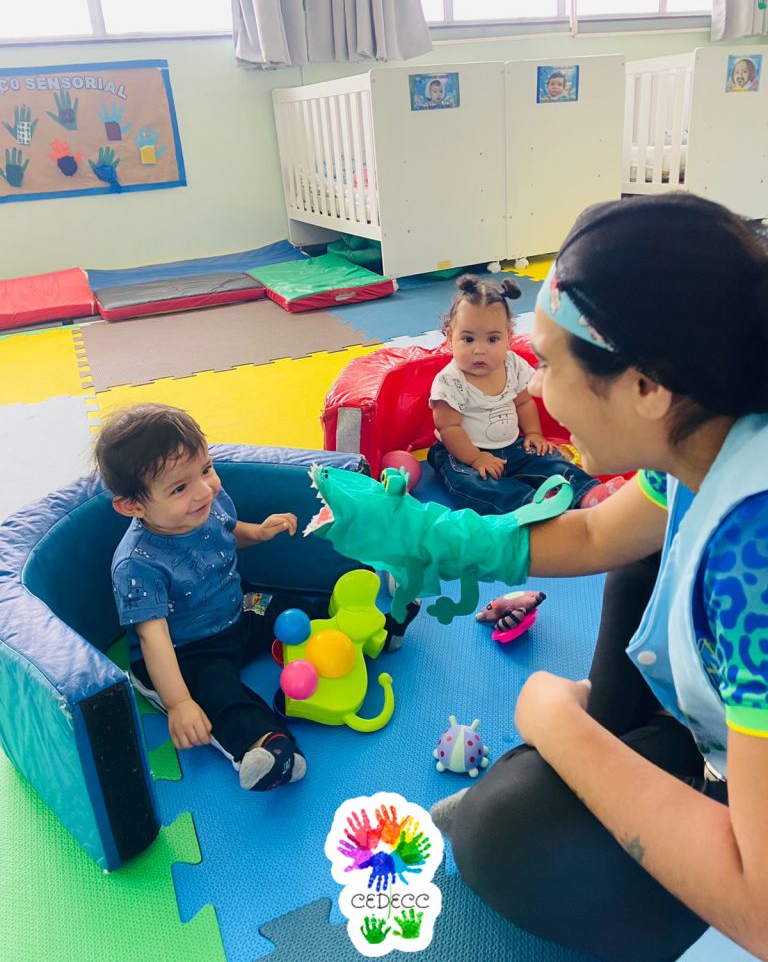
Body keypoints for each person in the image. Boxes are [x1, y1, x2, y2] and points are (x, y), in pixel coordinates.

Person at [430, 193, 768, 961]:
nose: (537, 391)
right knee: (641, 555)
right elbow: (591, 533)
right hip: (726, 733)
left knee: (501, 835)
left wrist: (560, 724)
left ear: (646, 386)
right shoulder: (712, 429)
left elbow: (762, 910)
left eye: (550, 365)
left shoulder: (756, 557)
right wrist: (436, 538)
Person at [95, 404, 415, 793]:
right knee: (219, 695)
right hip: (187, 652)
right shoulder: (137, 564)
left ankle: (372, 629)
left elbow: (227, 532)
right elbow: (153, 638)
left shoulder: (205, 501)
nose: (204, 489)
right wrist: (178, 703)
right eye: (179, 488)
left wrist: (258, 533)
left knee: (290, 609)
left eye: (206, 469)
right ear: (133, 506)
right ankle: (268, 748)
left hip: (241, 606)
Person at [427, 275, 624, 515]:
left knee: (550, 460)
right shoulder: (449, 381)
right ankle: (531, 506)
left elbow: (523, 402)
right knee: (471, 484)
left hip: (513, 445)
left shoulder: (513, 365)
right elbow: (449, 428)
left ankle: (587, 493)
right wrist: (477, 458)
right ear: (450, 338)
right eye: (468, 339)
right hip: (462, 453)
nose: (479, 350)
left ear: (508, 338)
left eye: (492, 339)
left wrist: (533, 434)